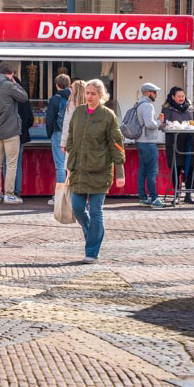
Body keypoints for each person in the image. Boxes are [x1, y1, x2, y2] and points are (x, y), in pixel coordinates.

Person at [65, 79, 126, 264]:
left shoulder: (108, 115)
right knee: (77, 207)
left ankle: (92, 251)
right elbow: (71, 137)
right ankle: (93, 233)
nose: (89, 96)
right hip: (79, 170)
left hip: (100, 169)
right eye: (87, 93)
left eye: (93, 94)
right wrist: (70, 163)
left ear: (101, 96)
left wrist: (120, 172)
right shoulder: (78, 112)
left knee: (95, 210)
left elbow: (116, 143)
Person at [0, 62, 29, 205]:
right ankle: (9, 195)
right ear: (10, 74)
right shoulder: (9, 86)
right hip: (11, 131)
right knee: (11, 163)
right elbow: (24, 97)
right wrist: (15, 83)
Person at [161, 86, 194, 205]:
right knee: (176, 168)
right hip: (174, 143)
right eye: (179, 96)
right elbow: (164, 124)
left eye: (183, 96)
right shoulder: (167, 109)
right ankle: (176, 195)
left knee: (191, 167)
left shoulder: (190, 108)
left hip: (190, 142)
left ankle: (188, 195)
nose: (181, 98)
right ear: (173, 97)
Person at [135, 82, 165, 208]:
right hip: (148, 142)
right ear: (147, 93)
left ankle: (142, 197)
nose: (156, 95)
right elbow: (150, 124)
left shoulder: (138, 104)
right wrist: (159, 121)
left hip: (140, 141)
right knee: (152, 171)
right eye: (154, 92)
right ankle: (154, 198)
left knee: (142, 171)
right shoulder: (147, 106)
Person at [45, 75, 71, 206]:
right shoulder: (73, 98)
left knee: (60, 166)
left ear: (56, 85)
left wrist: (49, 133)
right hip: (72, 134)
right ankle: (72, 195)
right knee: (71, 165)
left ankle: (60, 196)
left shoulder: (55, 99)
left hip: (59, 133)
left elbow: (49, 119)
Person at [59, 79, 86, 152]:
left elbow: (67, 124)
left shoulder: (71, 104)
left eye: (72, 88)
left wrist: (63, 143)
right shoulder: (90, 104)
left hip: (74, 140)